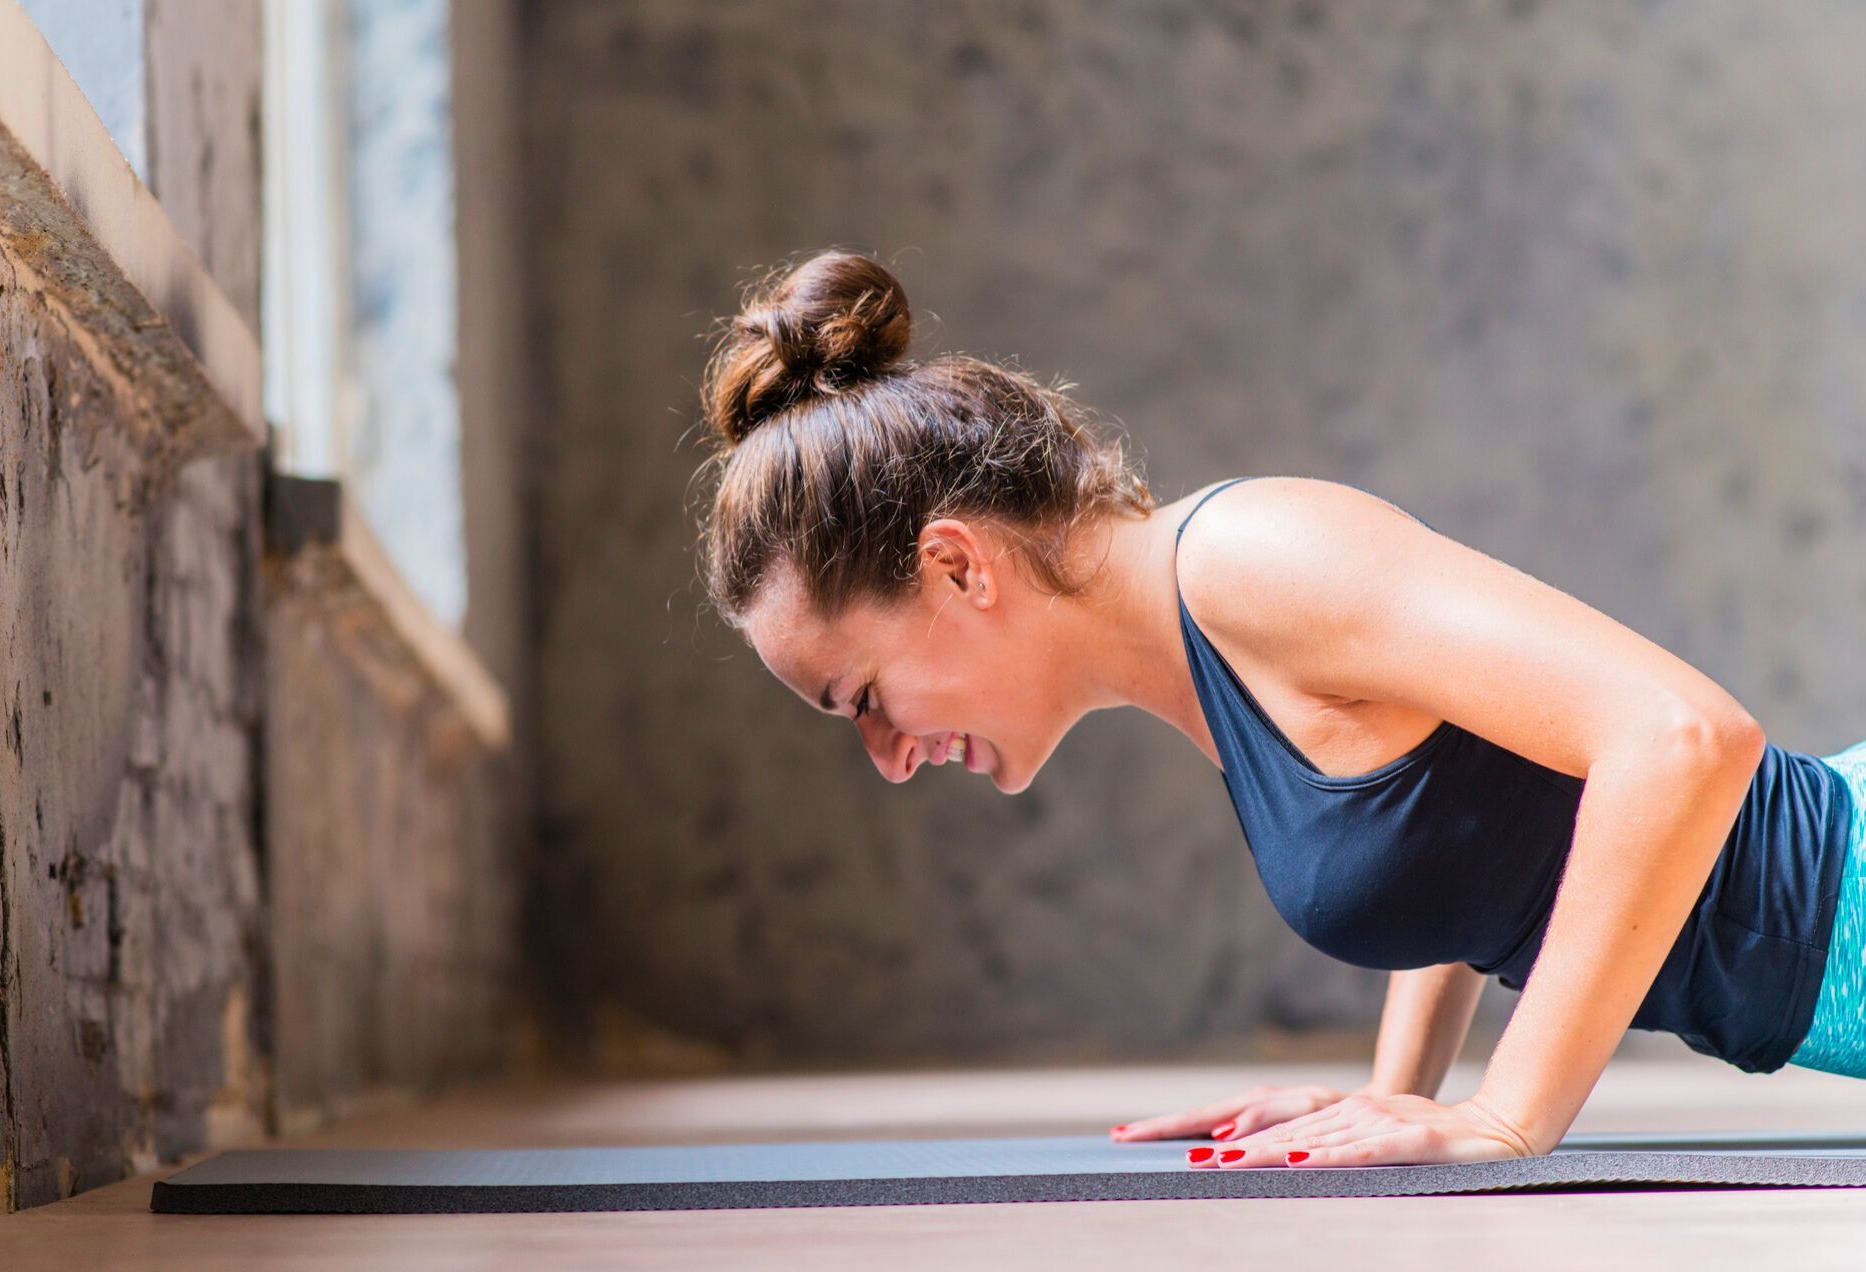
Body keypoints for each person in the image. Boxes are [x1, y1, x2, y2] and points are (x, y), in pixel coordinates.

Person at [688, 248, 1865, 1170]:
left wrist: (1509, 1115)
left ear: (955, 568)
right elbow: (1479, 812)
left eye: (864, 699)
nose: (887, 757)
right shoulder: (1203, 655)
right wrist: (1399, 1095)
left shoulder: (1249, 561)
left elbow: (1678, 739)